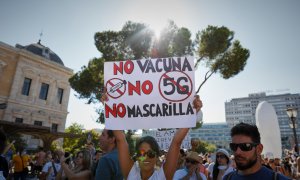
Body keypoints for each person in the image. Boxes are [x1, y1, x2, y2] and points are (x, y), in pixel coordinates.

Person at [112, 95, 202, 180]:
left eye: (150, 154)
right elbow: (120, 140)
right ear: (137, 156)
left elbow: (176, 142)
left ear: (157, 156)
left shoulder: (163, 176)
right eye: (142, 153)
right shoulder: (130, 173)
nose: (146, 157)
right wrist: (110, 104)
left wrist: (192, 113)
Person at [223, 122, 290, 180]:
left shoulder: (277, 178)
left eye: (245, 146)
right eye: (234, 146)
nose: (238, 152)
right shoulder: (227, 178)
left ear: (259, 149)